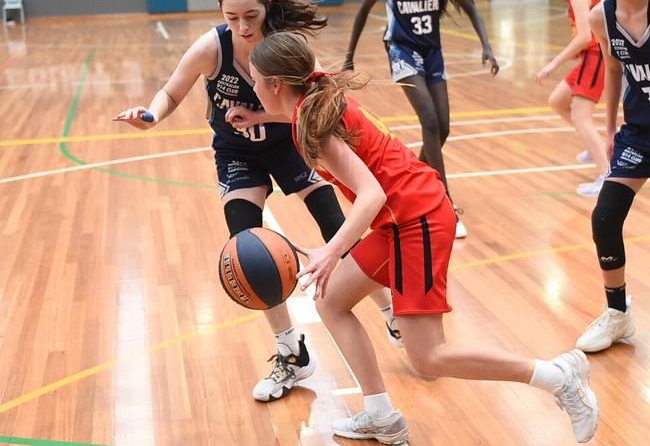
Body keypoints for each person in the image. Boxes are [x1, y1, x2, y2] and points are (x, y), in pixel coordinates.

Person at [247, 31, 599, 444]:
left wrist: (330, 251)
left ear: (275, 84)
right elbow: (368, 186)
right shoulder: (316, 101)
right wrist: (260, 118)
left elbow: (371, 194)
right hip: (403, 219)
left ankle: (558, 377)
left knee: (428, 356)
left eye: (256, 81)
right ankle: (380, 413)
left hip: (418, 223)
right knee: (330, 300)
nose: (253, 89)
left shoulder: (316, 128)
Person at [112, 0, 400, 403]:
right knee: (250, 251)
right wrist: (150, 116)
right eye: (232, 18)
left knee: (337, 226)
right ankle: (292, 352)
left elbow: (319, 101)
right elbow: (170, 93)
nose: (243, 27)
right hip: (237, 153)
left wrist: (265, 117)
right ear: (221, 14)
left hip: (293, 144)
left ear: (266, 8)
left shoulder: (287, 46)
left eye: (251, 15)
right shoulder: (212, 47)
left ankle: (389, 311)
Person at [343, 0, 500, 239]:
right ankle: (445, 203)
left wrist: (486, 45)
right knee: (429, 119)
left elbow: (470, 7)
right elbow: (364, 10)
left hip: (431, 53)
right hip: (401, 50)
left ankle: (412, 177)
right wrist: (349, 56)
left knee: (443, 127)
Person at [575, 0, 649, 352]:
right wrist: (608, 128)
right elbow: (614, 69)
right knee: (605, 218)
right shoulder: (600, 17)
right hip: (638, 134)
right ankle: (618, 314)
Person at [536, 0, 609, 197]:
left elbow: (584, 38)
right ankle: (594, 143)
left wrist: (552, 64)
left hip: (597, 56)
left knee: (581, 116)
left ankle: (606, 177)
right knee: (557, 101)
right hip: (591, 56)